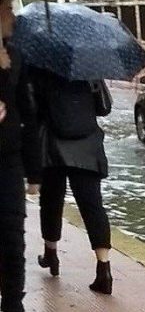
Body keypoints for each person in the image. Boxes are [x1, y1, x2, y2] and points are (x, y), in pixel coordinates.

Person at [33, 71, 114, 296]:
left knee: (51, 201)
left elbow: (33, 110)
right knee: (93, 207)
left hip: (53, 147)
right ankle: (104, 269)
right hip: (88, 147)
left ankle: (51, 253)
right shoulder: (89, 69)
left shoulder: (41, 70)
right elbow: (104, 108)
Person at [0, 0, 43, 312]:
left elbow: (28, 113)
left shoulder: (16, 56)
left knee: (13, 239)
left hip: (8, 160)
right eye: (8, 10)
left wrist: (34, 172)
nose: (13, 16)